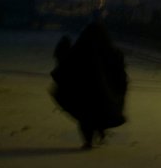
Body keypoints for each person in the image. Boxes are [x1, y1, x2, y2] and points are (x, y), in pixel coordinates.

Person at [50, 15, 128, 150]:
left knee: (86, 117)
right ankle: (100, 130)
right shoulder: (110, 52)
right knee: (102, 112)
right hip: (104, 95)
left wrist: (63, 49)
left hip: (84, 94)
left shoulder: (81, 49)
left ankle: (88, 141)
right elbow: (119, 72)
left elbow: (67, 64)